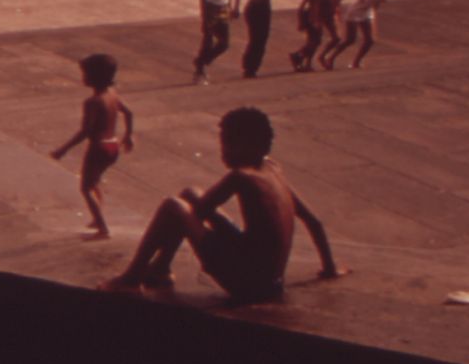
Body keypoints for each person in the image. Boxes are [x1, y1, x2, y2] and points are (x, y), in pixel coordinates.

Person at [100, 107, 343, 302]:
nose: (223, 150)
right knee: (190, 193)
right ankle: (160, 269)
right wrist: (329, 268)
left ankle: (131, 278)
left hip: (249, 284)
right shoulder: (272, 169)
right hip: (269, 278)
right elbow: (314, 221)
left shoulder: (240, 177)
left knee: (173, 206)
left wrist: (180, 225)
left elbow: (195, 214)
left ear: (247, 145)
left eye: (227, 142)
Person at [50, 53, 136, 239]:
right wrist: (128, 136)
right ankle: (98, 219)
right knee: (94, 181)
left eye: (85, 74)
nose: (83, 77)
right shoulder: (112, 94)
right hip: (112, 146)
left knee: (86, 187)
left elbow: (85, 132)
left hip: (98, 148)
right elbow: (129, 113)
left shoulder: (92, 102)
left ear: (94, 76)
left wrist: (63, 149)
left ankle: (102, 228)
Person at [322, 0, 407, 70]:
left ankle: (356, 62)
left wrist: (376, 6)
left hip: (366, 13)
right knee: (349, 39)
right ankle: (330, 58)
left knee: (369, 40)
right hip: (355, 12)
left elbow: (376, 3)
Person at [233, 0, 300, 78]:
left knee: (262, 39)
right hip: (254, 6)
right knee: (255, 38)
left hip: (264, 7)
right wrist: (236, 7)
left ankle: (253, 67)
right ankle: (248, 67)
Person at [288, 0, 341, 73]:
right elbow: (315, 6)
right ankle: (298, 56)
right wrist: (314, 20)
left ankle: (305, 61)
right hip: (314, 18)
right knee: (314, 42)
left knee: (316, 41)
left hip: (321, 17)